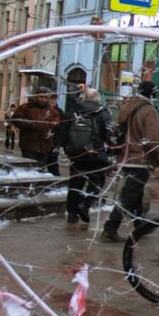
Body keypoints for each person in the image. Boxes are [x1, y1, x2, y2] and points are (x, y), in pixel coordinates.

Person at [101, 81, 159, 243]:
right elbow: (152, 140)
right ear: (152, 94)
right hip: (140, 160)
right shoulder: (149, 111)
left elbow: (116, 131)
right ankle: (110, 228)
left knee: (135, 192)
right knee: (129, 196)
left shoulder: (126, 107)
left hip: (125, 158)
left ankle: (140, 224)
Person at [59, 87, 112, 226]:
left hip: (76, 154)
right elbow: (108, 132)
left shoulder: (74, 111)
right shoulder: (102, 112)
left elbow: (63, 130)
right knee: (97, 182)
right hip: (95, 153)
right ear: (97, 99)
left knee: (75, 183)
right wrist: (110, 149)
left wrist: (67, 148)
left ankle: (72, 214)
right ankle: (85, 203)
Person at [12, 88, 62, 175]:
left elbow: (56, 121)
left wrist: (51, 124)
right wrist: (30, 124)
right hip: (29, 144)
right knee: (29, 170)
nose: (43, 99)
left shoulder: (51, 110)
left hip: (44, 146)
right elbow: (16, 119)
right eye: (41, 97)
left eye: (46, 98)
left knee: (40, 170)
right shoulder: (25, 107)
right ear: (36, 97)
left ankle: (37, 187)